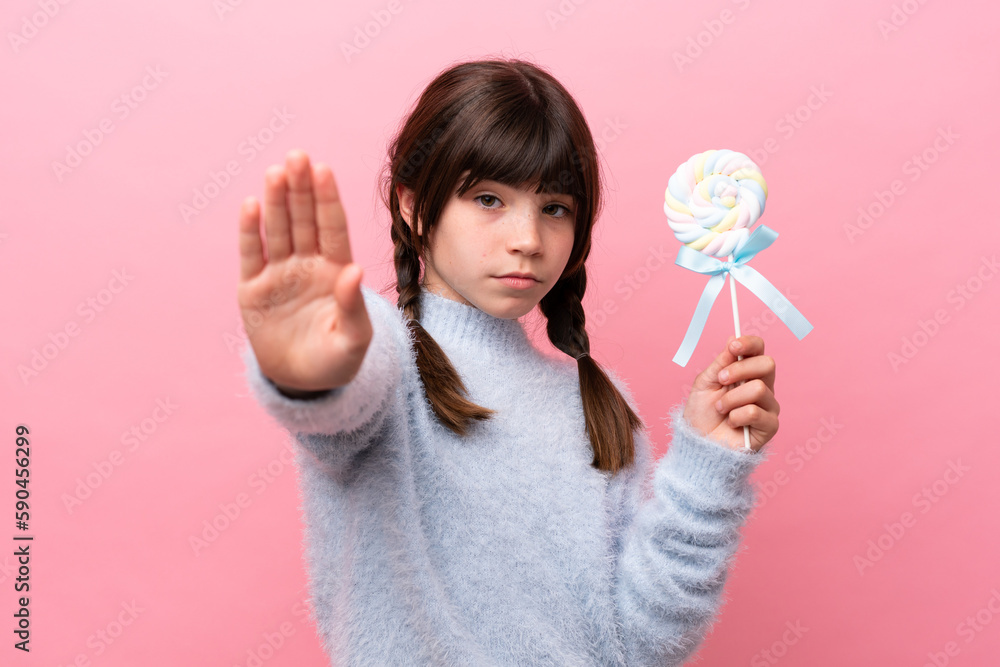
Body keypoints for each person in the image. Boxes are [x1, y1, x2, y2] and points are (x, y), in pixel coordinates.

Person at [237, 57, 779, 666]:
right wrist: (311, 374)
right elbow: (343, 396)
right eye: (489, 199)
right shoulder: (386, 353)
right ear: (415, 208)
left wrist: (709, 469)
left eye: (555, 208)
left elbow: (639, 648)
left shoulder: (598, 407)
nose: (528, 238)